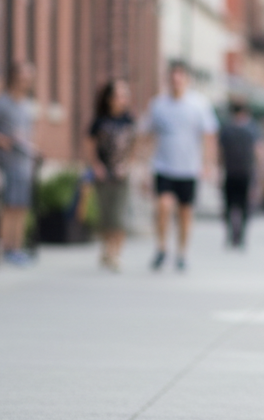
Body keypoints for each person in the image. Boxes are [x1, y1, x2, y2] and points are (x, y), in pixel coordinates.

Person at [142, 60, 218, 272]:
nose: (176, 82)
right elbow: (146, 135)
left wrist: (208, 163)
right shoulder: (158, 105)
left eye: (180, 78)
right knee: (163, 206)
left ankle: (182, 252)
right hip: (163, 166)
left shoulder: (199, 104)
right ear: (167, 80)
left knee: (185, 213)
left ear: (186, 80)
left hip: (189, 168)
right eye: (172, 78)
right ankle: (161, 247)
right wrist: (142, 165)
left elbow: (209, 136)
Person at [0, 62, 37, 266]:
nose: (27, 81)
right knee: (9, 205)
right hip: (7, 162)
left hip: (25, 162)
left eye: (29, 78)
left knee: (22, 207)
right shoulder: (2, 102)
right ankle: (4, 248)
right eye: (23, 77)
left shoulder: (26, 104)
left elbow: (29, 132)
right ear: (14, 78)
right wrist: (2, 140)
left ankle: (16, 248)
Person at [87, 80, 136, 271]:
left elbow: (134, 146)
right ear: (109, 99)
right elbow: (90, 145)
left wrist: (127, 166)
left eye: (125, 96)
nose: (122, 99)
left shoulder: (129, 120)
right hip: (103, 174)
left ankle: (116, 253)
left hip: (121, 174)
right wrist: (96, 166)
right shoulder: (100, 121)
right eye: (118, 95)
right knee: (106, 215)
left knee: (119, 215)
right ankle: (107, 249)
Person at [218, 99, 261, 248]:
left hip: (231, 172)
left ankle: (232, 234)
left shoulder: (226, 129)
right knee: (242, 206)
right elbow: (259, 151)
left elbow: (220, 152)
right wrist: (260, 172)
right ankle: (239, 235)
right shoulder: (252, 129)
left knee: (230, 205)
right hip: (244, 172)